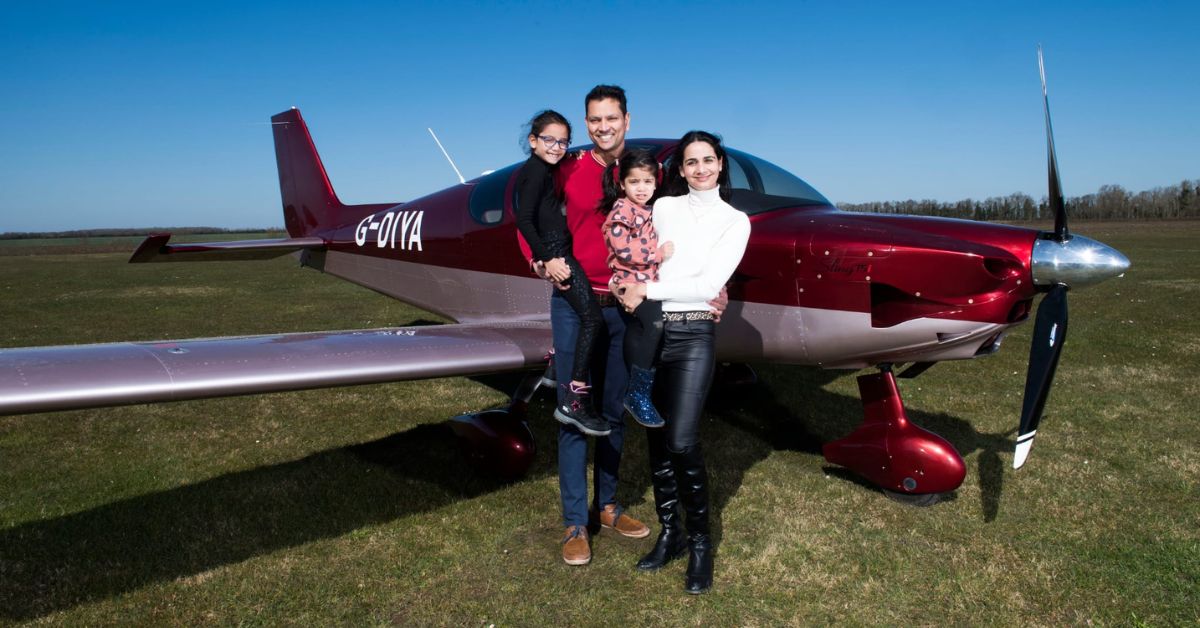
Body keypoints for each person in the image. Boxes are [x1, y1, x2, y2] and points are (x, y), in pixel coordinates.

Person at [517, 85, 651, 566]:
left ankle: (608, 505)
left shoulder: (642, 172)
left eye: (610, 118)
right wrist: (539, 262)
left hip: (624, 306)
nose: (602, 126)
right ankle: (576, 520)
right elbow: (526, 219)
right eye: (594, 119)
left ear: (627, 120)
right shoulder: (567, 166)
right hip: (573, 303)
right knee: (573, 409)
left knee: (613, 406)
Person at [615, 131, 751, 594]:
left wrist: (646, 291)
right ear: (681, 169)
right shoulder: (665, 206)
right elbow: (637, 255)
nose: (699, 169)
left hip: (693, 334)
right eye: (690, 162)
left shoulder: (736, 222)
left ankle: (699, 544)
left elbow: (708, 282)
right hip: (653, 331)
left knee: (682, 437)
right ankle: (670, 532)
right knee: (656, 437)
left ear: (720, 164)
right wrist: (622, 283)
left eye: (707, 160)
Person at [513, 110, 610, 437]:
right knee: (593, 319)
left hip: (560, 248)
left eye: (563, 141)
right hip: (557, 253)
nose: (557, 147)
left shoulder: (544, 168)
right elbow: (524, 221)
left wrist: (573, 154)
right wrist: (547, 259)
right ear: (532, 140)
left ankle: (564, 379)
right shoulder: (535, 174)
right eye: (549, 140)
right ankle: (573, 399)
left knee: (588, 317)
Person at [599, 149, 672, 428]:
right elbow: (623, 249)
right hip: (629, 282)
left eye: (647, 182)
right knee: (652, 325)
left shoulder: (652, 210)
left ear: (656, 183)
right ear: (622, 184)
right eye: (634, 182)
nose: (641, 188)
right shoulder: (622, 209)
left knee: (654, 328)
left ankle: (645, 389)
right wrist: (657, 253)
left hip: (649, 283)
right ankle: (637, 392)